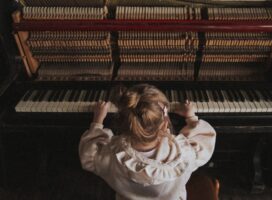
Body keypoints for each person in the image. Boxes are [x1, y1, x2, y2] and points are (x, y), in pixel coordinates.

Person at [79, 84, 216, 200]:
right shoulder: (185, 155)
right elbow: (205, 139)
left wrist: (97, 121)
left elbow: (88, 155)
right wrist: (191, 117)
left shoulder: (110, 156)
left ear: (124, 124)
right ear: (164, 125)